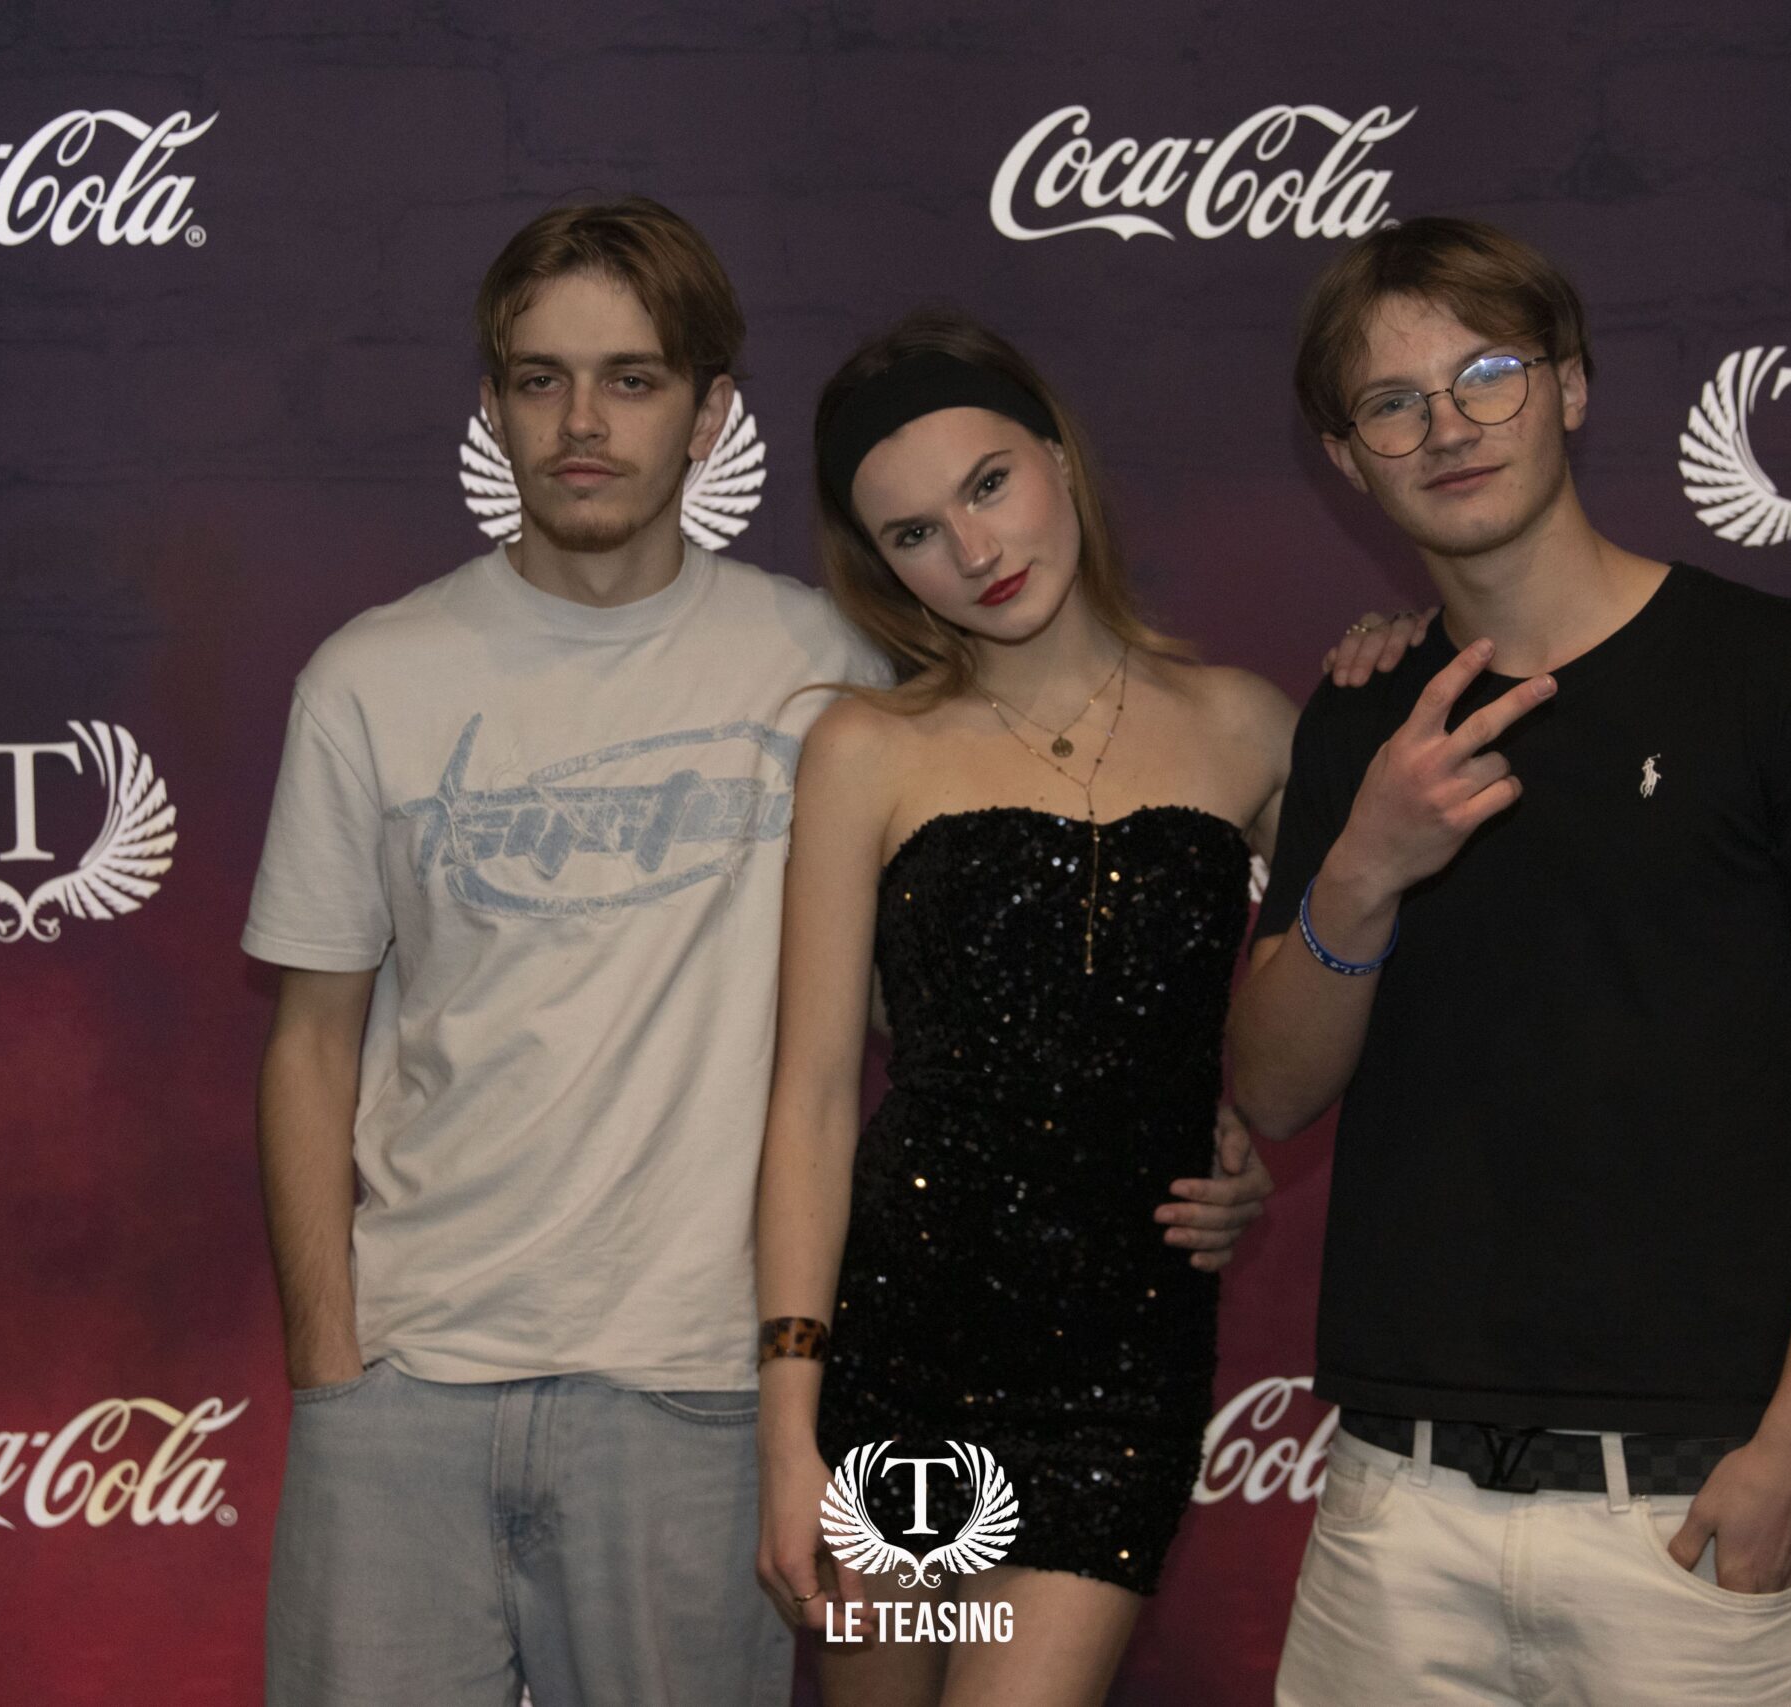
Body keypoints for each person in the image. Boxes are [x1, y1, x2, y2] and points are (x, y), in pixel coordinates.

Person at [241, 199, 1301, 1707]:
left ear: (707, 413)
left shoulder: (837, 673)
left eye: (632, 378)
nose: (584, 422)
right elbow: (310, 1042)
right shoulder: (370, 676)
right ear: (492, 407)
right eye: (541, 379)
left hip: (704, 1397)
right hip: (412, 1385)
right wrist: (331, 1369)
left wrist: (1187, 1125)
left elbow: (995, 965)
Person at [1229, 216, 1791, 1707]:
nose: (1448, 428)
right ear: (1347, 459)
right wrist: (1362, 866)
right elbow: (1274, 1088)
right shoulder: (1364, 713)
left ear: (1569, 385)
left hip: (1688, 1513)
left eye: (1487, 376)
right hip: (1395, 1507)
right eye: (1393, 403)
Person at [751, 311, 1424, 1707]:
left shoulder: (1248, 725)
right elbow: (812, 1100)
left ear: (1059, 457)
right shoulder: (864, 748)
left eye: (989, 483)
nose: (974, 549)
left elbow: (1335, 985)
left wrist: (1248, 1131)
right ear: (880, 566)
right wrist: (789, 1431)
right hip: (907, 1350)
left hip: (1123, 1367)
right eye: (915, 533)